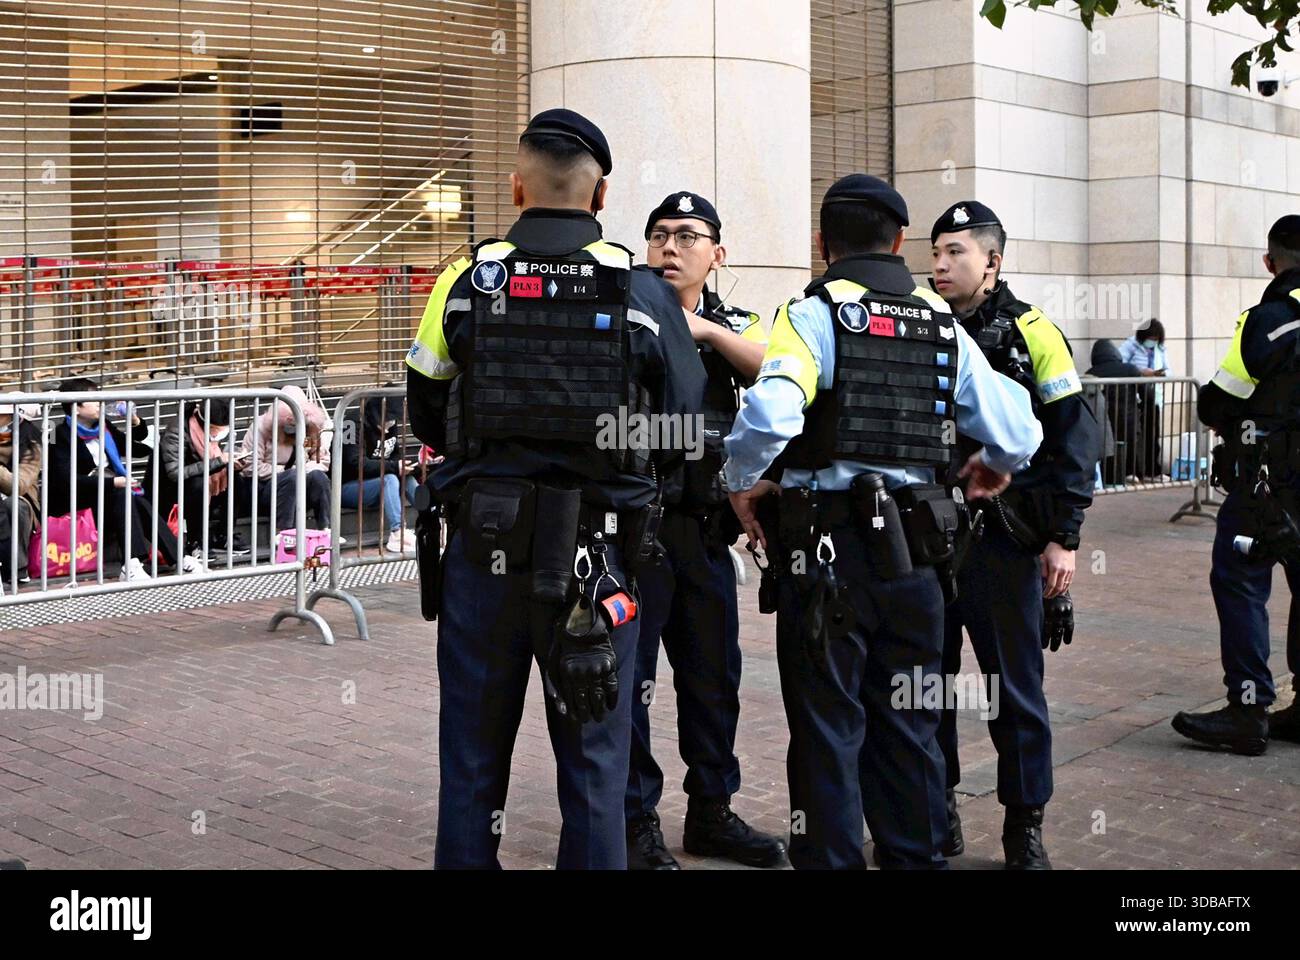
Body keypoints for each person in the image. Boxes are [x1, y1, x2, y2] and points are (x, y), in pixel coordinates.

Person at [406, 108, 707, 869]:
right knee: (597, 767)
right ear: (601, 197)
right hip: (598, 565)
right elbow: (683, 426)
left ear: (516, 187)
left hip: (486, 553)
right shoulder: (641, 293)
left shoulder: (467, 279)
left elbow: (426, 410)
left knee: (473, 759)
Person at [723, 175, 1042, 869]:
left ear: (821, 243)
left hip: (825, 560)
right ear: (899, 242)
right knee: (911, 728)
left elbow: (773, 414)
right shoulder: (940, 322)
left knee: (827, 732)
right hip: (917, 561)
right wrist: (993, 462)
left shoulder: (813, 314)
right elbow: (1018, 426)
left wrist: (740, 479)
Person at [929, 201, 1100, 869]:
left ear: (993, 262)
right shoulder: (920, 326)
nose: (940, 264)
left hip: (1005, 542)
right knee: (926, 684)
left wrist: (1067, 536)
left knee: (1015, 691)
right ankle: (937, 807)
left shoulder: (1033, 332)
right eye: (935, 253)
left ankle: (1023, 827)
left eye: (956, 253)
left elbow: (1076, 439)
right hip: (927, 540)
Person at [624, 191, 785, 870]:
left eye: (688, 236)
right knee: (630, 684)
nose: (670, 247)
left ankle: (711, 812)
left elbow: (778, 375)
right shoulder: (627, 318)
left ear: (716, 255)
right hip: (638, 534)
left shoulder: (737, 322)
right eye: (659, 234)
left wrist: (710, 335)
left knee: (714, 678)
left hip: (704, 531)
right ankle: (634, 823)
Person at [1172, 215, 1300, 754]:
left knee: (1241, 581)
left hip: (1268, 487)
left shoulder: (1268, 321)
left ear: (1270, 262)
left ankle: (1247, 710)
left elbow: (1219, 401)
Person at [46, 377, 190, 581]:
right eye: (94, 400)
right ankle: (132, 562)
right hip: (78, 501)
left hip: (110, 497)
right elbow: (65, 480)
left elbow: (139, 449)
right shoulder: (59, 434)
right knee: (123, 494)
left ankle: (176, 558)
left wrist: (134, 422)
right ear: (75, 407)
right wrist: (112, 482)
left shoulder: (103, 427)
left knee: (134, 498)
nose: (100, 403)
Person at [152, 398, 250, 557]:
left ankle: (222, 535)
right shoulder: (177, 431)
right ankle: (194, 542)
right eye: (214, 429)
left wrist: (233, 464)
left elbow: (215, 461)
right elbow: (175, 473)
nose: (217, 433)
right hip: (171, 491)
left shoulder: (209, 433)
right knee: (198, 484)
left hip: (204, 485)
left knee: (236, 480)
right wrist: (219, 462)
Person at [237, 384, 331, 533]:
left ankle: (325, 528)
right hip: (267, 488)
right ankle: (283, 531)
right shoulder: (261, 428)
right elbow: (251, 465)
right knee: (292, 477)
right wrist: (284, 471)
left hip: (300, 484)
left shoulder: (308, 429)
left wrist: (310, 467)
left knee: (318, 477)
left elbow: (319, 456)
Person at [338, 392, 419, 554]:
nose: (390, 424)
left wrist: (406, 467)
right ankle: (397, 533)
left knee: (407, 479)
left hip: (379, 485)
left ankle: (434, 520)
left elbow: (395, 455)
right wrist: (394, 467)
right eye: (387, 419)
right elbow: (353, 462)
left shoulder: (391, 423)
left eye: (392, 420)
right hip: (348, 486)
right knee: (389, 478)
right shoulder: (351, 422)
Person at [1085, 338, 1144, 485]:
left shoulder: (1091, 373)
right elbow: (1146, 393)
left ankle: (1110, 477)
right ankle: (1131, 474)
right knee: (1130, 446)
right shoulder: (1130, 369)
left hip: (1103, 420)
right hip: (1128, 418)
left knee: (1108, 448)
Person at [1119, 319, 1167, 479]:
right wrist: (1140, 372)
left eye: (1156, 339)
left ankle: (1152, 470)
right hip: (1135, 397)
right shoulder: (1131, 345)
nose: (1152, 342)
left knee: (1152, 435)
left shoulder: (1160, 349)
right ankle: (1133, 471)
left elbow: (1168, 368)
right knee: (1133, 435)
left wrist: (1162, 373)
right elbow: (1120, 363)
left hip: (1153, 397)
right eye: (1151, 338)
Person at [0, 403, 40, 583]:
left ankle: (16, 568)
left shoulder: (31, 443)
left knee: (13, 505)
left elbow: (20, 485)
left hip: (21, 500)